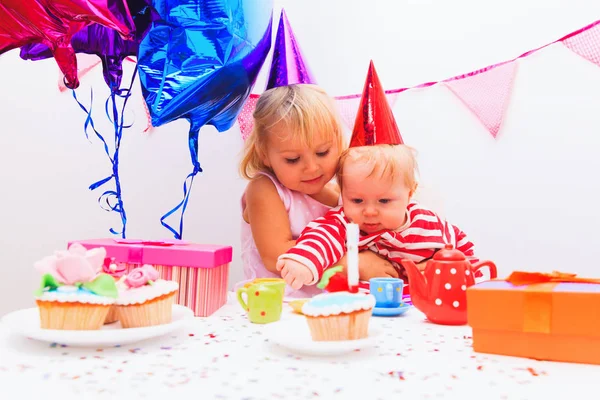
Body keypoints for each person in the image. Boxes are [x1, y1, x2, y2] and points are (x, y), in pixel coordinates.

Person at [275, 61, 478, 290]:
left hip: (417, 309)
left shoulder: (427, 224)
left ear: (409, 194)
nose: (369, 211)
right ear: (343, 194)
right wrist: (303, 262)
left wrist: (453, 271)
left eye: (384, 201)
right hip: (364, 306)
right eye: (357, 200)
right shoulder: (344, 222)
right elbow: (319, 239)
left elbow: (464, 252)